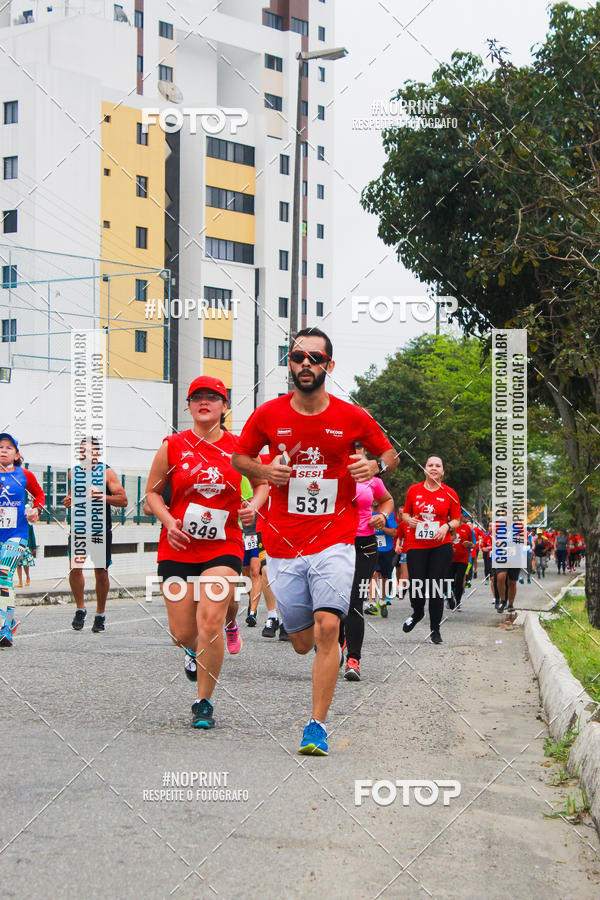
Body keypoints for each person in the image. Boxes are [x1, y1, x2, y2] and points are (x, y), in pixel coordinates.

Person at [232, 328, 396, 755]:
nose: (305, 365)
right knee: (302, 641)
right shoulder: (268, 415)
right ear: (289, 364)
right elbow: (240, 457)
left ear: (329, 366)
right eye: (297, 357)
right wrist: (266, 473)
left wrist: (373, 466)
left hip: (336, 540)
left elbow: (389, 454)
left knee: (328, 627)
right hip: (284, 545)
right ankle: (321, 645)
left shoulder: (352, 417)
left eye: (314, 358)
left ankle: (316, 726)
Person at [146, 375, 265, 729]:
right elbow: (153, 493)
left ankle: (203, 701)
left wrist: (253, 506)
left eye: (212, 397)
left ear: (224, 406)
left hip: (222, 547)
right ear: (188, 405)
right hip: (178, 546)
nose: (204, 402)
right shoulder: (173, 445)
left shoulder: (240, 447)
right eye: (197, 397)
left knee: (208, 621)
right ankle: (225, 620)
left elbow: (262, 485)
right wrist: (168, 521)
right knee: (183, 634)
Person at [63, 437, 127, 633]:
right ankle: (80, 609)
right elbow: (72, 497)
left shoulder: (107, 472)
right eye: (82, 451)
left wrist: (102, 496)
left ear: (97, 454)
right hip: (79, 529)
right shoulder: (73, 472)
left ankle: (100, 614)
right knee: (75, 569)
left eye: (89, 451)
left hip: (100, 529)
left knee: (100, 572)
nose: (85, 455)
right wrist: (69, 501)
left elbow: (123, 500)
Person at [342, 446, 393, 681]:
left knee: (354, 600)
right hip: (334, 544)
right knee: (332, 599)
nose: (355, 453)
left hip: (364, 544)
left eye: (359, 449)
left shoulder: (371, 477)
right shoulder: (332, 472)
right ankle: (334, 643)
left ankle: (353, 659)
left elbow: (387, 500)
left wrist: (382, 516)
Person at [401, 455, 460, 645]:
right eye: (430, 465)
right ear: (424, 469)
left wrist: (446, 527)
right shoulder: (414, 490)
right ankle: (417, 612)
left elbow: (457, 519)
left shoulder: (450, 493)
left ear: (443, 471)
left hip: (440, 546)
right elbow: (405, 513)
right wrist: (408, 520)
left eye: (438, 466)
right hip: (416, 545)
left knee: (436, 587)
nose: (433, 468)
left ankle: (435, 630)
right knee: (416, 585)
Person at [0, 434, 45, 647]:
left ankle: (1, 626)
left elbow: (39, 495)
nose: (3, 450)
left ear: (17, 454)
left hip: (16, 534)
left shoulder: (24, 474)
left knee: (2, 572)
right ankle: (8, 625)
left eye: (9, 447)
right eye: (0, 447)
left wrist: (36, 510)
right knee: (5, 579)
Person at [367, 500, 398, 618]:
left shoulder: (387, 513)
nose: (374, 500)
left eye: (377, 498)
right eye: (372, 498)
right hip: (372, 548)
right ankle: (373, 602)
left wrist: (382, 527)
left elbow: (394, 532)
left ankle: (383, 601)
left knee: (384, 578)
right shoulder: (366, 511)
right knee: (373, 574)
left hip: (386, 549)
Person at [448, 510, 475, 610]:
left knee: (459, 580)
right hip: (450, 558)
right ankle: (450, 599)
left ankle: (458, 601)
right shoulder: (449, 526)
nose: (464, 517)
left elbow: (473, 545)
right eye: (463, 515)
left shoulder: (467, 528)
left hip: (463, 559)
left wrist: (469, 544)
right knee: (449, 580)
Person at [16, 520, 36, 587]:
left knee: (25, 563)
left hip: (26, 545)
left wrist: (34, 547)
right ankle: (20, 582)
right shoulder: (17, 523)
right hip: (17, 544)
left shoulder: (29, 524)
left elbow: (32, 535)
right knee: (18, 564)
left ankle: (27, 577)